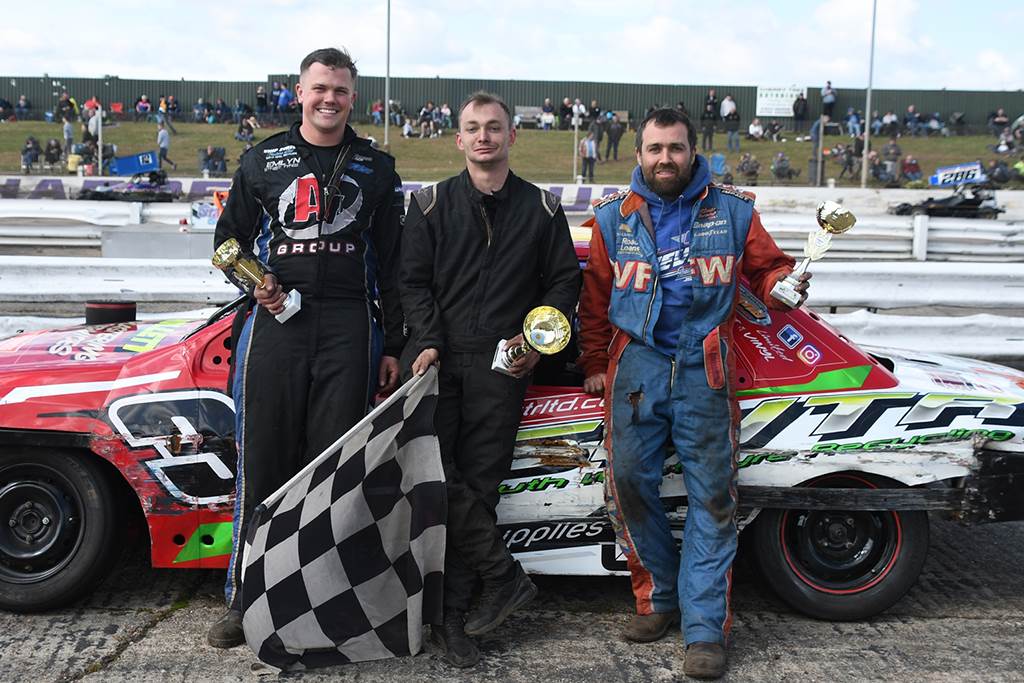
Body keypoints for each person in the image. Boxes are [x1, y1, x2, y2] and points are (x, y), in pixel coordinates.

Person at [578, 108, 804, 680]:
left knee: (713, 497)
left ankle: (704, 630)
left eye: (675, 148)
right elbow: (596, 298)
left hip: (707, 362)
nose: (665, 158)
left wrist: (784, 285)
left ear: (692, 151)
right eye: (655, 149)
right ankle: (658, 598)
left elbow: (769, 271)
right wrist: (594, 362)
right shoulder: (611, 217)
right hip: (637, 363)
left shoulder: (733, 209)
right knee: (628, 484)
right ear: (638, 154)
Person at [207, 46, 405, 650]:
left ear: (353, 97)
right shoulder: (262, 159)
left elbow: (395, 266)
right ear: (299, 93)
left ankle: (319, 600)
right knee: (263, 461)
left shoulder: (378, 168)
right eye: (319, 88)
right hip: (276, 324)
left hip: (350, 325)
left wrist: (395, 343)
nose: (329, 99)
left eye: (340, 90)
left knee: (331, 472)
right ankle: (244, 599)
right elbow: (226, 244)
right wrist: (257, 283)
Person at [399, 91, 580, 668]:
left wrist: (534, 342)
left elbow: (564, 286)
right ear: (459, 139)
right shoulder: (429, 204)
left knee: (477, 489)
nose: (484, 136)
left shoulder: (543, 209)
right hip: (435, 361)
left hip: (503, 365)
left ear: (511, 136)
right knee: (435, 477)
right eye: (474, 128)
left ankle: (452, 620)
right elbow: (411, 283)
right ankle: (503, 575)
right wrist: (428, 338)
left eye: (494, 127)